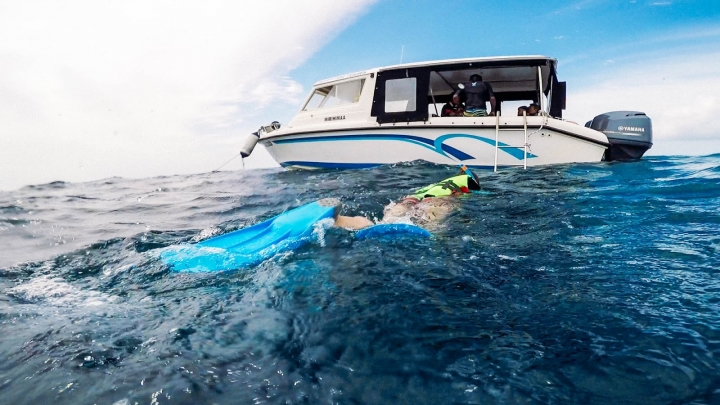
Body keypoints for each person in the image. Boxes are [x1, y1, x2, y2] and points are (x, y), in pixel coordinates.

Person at [334, 168, 481, 230]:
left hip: (408, 200)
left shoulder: (437, 184)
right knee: (434, 232)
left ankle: (340, 221)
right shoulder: (460, 190)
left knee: (380, 224)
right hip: (435, 203)